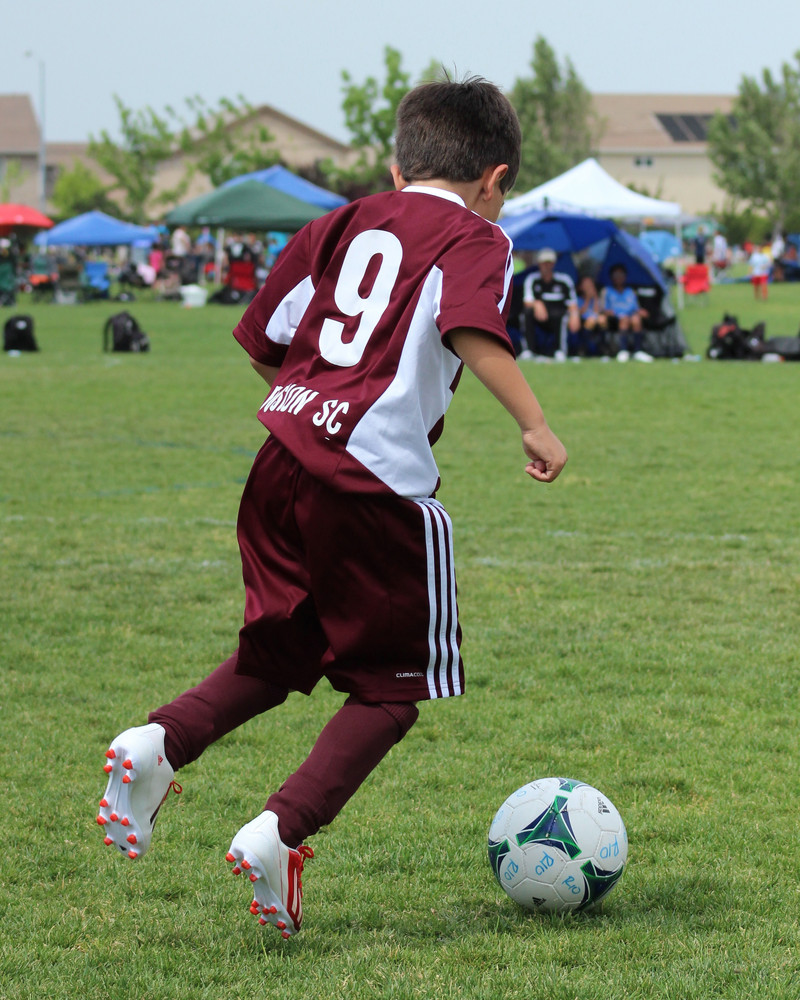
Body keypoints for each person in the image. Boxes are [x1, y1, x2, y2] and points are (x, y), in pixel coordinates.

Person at [96, 77, 568, 939]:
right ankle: (280, 832)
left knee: (280, 655)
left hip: (280, 463)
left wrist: (322, 397)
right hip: (372, 485)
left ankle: (156, 745)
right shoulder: (478, 236)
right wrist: (534, 424)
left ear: (397, 168)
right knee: (393, 691)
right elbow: (470, 324)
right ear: (495, 179)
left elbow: (264, 339)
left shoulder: (340, 223)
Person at [521, 248, 580, 360]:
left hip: (558, 316)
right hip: (539, 317)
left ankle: (560, 351)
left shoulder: (564, 280)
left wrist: (574, 315)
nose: (546, 266)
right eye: (544, 263)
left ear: (554, 264)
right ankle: (528, 350)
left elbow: (572, 304)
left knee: (562, 317)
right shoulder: (532, 279)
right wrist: (537, 303)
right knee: (526, 313)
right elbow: (527, 302)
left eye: (549, 263)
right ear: (539, 264)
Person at [601, 263, 651, 362]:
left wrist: (641, 312)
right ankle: (623, 350)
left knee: (636, 319)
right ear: (611, 277)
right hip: (615, 319)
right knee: (624, 320)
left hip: (630, 316)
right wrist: (611, 313)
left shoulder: (630, 291)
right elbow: (604, 309)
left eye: (621, 275)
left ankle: (638, 351)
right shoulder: (607, 291)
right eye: (616, 275)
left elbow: (636, 307)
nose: (619, 278)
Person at [575, 275, 608, 356]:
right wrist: (587, 299)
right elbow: (580, 312)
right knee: (591, 321)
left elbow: (597, 311)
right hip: (583, 320)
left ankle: (603, 348)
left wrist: (595, 297)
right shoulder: (578, 299)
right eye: (586, 284)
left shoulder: (596, 299)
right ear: (580, 287)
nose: (588, 287)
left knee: (602, 319)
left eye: (590, 284)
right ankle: (583, 348)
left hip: (595, 320)